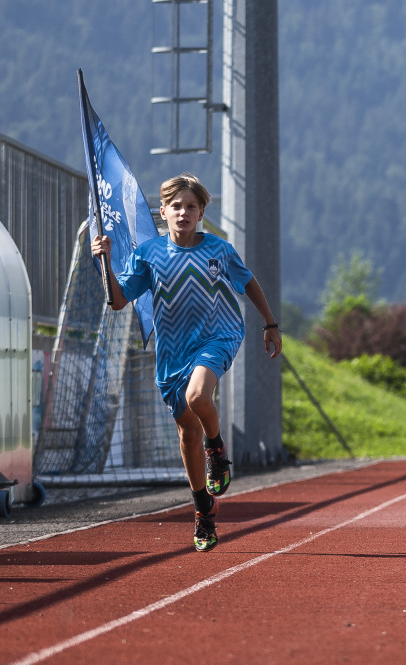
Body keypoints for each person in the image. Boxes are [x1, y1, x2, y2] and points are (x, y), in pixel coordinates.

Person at [91, 173, 281, 552]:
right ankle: (203, 510)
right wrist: (105, 262)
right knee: (187, 434)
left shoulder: (219, 250)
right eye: (176, 206)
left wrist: (270, 323)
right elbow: (117, 300)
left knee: (198, 397)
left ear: (201, 212)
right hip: (173, 353)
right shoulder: (149, 255)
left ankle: (217, 451)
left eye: (191, 206)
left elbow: (247, 282)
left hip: (218, 336)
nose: (183, 212)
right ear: (163, 212)